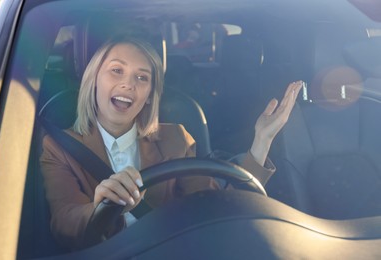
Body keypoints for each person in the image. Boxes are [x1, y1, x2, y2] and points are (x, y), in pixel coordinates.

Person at [40, 36, 302, 250]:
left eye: (142, 77)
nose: (128, 84)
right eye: (116, 70)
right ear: (93, 80)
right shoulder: (59, 147)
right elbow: (64, 224)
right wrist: (99, 208)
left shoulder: (176, 138)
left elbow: (215, 208)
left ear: (149, 95)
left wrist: (262, 140)